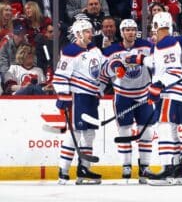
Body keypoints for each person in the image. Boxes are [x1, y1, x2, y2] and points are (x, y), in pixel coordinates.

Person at [126, 12, 182, 185]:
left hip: (171, 92)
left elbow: (174, 70)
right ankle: (179, 170)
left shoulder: (166, 43)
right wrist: (141, 59)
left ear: (155, 26)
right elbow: (158, 64)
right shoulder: (164, 44)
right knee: (172, 130)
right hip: (176, 92)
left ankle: (167, 170)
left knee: (165, 128)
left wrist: (159, 84)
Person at [100, 19, 155, 184]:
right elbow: (103, 73)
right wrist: (99, 90)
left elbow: (157, 64)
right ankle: (126, 165)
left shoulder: (147, 47)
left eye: (133, 29)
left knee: (146, 131)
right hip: (122, 96)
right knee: (124, 131)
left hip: (144, 94)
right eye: (127, 30)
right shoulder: (111, 51)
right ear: (122, 32)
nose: (130, 32)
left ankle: (144, 165)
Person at [52, 19, 105, 185]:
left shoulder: (94, 50)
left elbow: (103, 69)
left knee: (89, 134)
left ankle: (84, 169)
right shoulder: (70, 51)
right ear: (78, 34)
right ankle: (64, 170)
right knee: (75, 133)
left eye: (91, 30)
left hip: (91, 98)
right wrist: (64, 96)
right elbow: (60, 76)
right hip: (78, 97)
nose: (91, 33)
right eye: (87, 31)